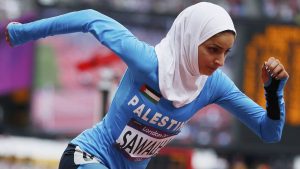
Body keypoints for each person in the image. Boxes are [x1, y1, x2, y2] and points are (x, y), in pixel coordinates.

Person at [4, 2, 289, 169]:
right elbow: (90, 19)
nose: (219, 61)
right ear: (189, 40)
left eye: (226, 53)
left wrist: (273, 91)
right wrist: (21, 32)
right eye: (213, 49)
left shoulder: (214, 86)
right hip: (87, 156)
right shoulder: (147, 61)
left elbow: (269, 132)